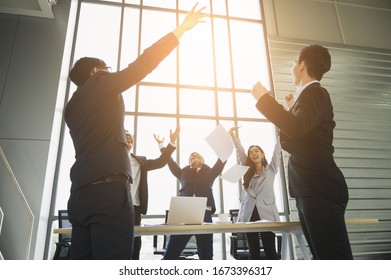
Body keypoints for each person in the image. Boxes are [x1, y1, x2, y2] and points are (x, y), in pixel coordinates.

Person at [64, 3, 207, 260]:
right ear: (96, 72)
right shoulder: (100, 82)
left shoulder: (71, 107)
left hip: (81, 195)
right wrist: (180, 30)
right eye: (107, 69)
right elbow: (141, 66)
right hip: (109, 195)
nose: (111, 74)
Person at [251, 44, 353, 259]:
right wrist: (290, 110)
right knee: (323, 258)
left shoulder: (316, 93)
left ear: (302, 65)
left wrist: (264, 99)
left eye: (294, 62)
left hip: (320, 189)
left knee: (333, 260)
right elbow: (294, 141)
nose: (292, 66)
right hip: (310, 190)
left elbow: (296, 129)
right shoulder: (307, 98)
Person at [154, 135, 226, 260]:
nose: (194, 157)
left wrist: (226, 140)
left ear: (202, 160)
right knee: (171, 253)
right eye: (192, 156)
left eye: (197, 156)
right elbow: (169, 161)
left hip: (205, 213)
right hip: (184, 213)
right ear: (189, 161)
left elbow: (222, 160)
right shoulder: (182, 172)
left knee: (206, 254)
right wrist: (161, 145)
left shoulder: (210, 172)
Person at [125, 127, 179, 259]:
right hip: (114, 207)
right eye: (125, 136)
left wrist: (170, 143)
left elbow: (161, 162)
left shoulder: (139, 161)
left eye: (130, 136)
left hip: (135, 208)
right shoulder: (110, 159)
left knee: (135, 244)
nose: (128, 138)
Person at [228, 126, 281, 260]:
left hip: (266, 213)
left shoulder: (271, 169)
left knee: (270, 250)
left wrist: (282, 130)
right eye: (251, 152)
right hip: (249, 213)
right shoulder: (247, 171)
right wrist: (233, 137)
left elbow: (277, 151)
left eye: (256, 151)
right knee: (254, 252)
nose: (253, 153)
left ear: (262, 154)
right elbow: (240, 152)